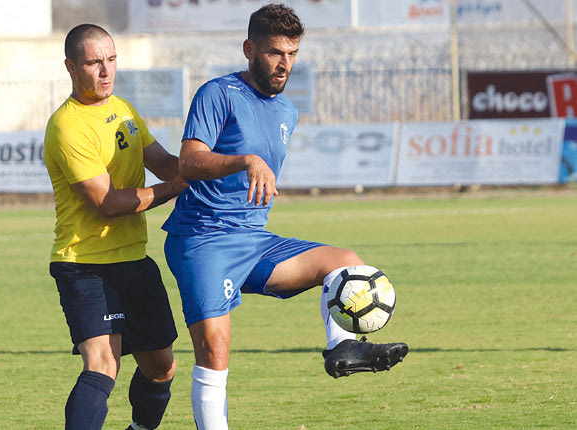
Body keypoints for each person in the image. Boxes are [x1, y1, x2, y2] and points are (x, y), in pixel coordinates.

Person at [161, 4, 408, 428]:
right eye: (276, 52)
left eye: (292, 53)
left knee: (346, 261)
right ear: (249, 48)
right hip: (203, 239)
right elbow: (188, 162)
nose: (285, 63)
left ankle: (342, 348)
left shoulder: (286, 112)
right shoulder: (217, 94)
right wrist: (245, 161)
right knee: (215, 350)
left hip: (253, 241)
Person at [44, 23, 187, 430]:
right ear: (71, 67)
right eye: (93, 62)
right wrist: (176, 187)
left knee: (161, 367)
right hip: (84, 264)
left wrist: (207, 166)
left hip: (133, 261)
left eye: (111, 59)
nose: (106, 70)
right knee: (103, 364)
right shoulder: (67, 127)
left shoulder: (123, 109)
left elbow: (161, 162)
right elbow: (108, 204)